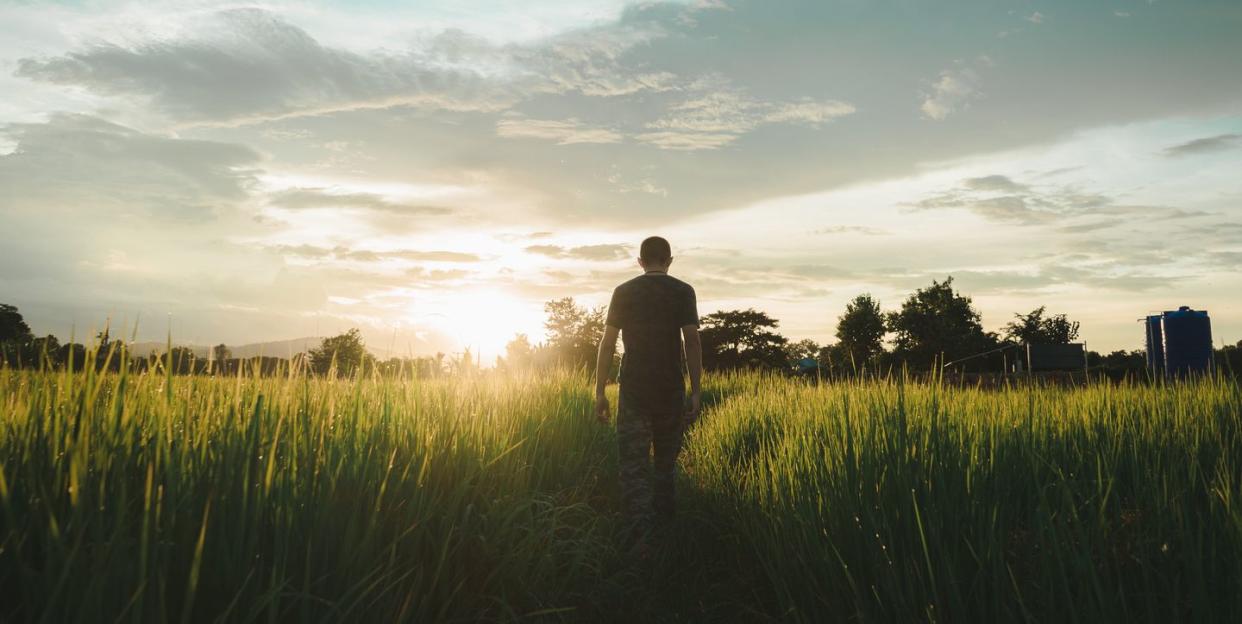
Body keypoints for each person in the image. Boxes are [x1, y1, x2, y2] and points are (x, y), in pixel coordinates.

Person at [594, 236, 703, 542]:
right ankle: (668, 534)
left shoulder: (624, 292)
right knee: (666, 467)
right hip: (670, 389)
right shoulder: (683, 291)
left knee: (634, 468)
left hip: (634, 390)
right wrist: (696, 391)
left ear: (640, 262)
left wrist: (600, 391)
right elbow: (692, 341)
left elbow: (607, 343)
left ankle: (638, 539)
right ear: (669, 261)